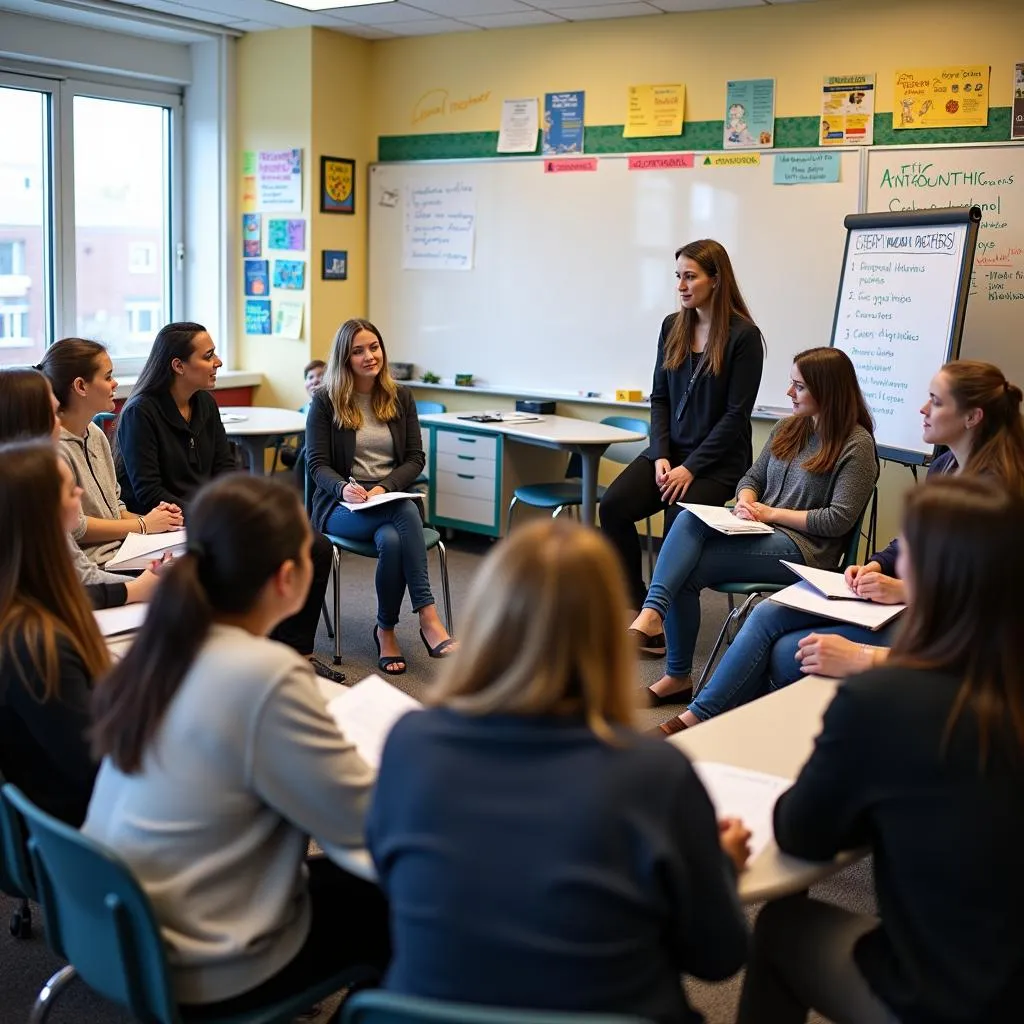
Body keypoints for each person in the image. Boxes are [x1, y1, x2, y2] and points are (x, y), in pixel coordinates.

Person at [367, 518, 751, 1024]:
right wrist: (718, 865)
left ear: (485, 623)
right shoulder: (655, 776)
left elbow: (391, 879)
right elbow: (717, 958)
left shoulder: (410, 744)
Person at [84, 474, 389, 1011]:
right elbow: (360, 825)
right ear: (288, 577)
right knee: (397, 899)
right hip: (202, 963)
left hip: (112, 928)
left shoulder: (162, 643)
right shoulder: (265, 673)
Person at [737, 476, 1024, 1024]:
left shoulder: (887, 702)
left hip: (953, 998)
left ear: (933, 578)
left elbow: (803, 831)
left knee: (778, 928)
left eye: (907, 549)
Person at [692, 360, 1024, 720]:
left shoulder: (999, 495)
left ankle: (719, 728)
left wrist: (903, 590)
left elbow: (986, 600)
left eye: (936, 401)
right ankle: (703, 721)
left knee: (789, 652)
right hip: (916, 606)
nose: (922, 409)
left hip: (945, 628)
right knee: (769, 614)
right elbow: (910, 541)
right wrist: (876, 565)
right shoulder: (945, 465)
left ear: (972, 417)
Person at [638, 347, 878, 728]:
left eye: (798, 386)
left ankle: (654, 622)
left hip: (806, 552)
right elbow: (751, 478)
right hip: (760, 533)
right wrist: (747, 500)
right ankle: (675, 673)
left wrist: (770, 513)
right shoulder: (789, 428)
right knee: (685, 525)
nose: (789, 393)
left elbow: (838, 520)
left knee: (684, 563)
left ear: (827, 391)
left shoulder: (856, 444)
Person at [115, 322, 342, 680]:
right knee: (247, 554)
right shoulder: (139, 413)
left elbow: (226, 469)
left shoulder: (205, 403)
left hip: (214, 517)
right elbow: (149, 492)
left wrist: (241, 510)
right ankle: (249, 654)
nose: (218, 362)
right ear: (178, 366)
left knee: (315, 546)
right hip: (167, 524)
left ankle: (297, 653)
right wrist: (219, 520)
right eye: (208, 356)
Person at [598, 239, 765, 612]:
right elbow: (659, 399)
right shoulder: (672, 326)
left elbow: (735, 416)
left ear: (716, 280)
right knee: (613, 506)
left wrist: (690, 468)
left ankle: (660, 618)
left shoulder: (744, 337)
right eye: (678, 276)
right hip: (670, 453)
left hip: (718, 462)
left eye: (690, 277)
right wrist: (660, 455)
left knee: (677, 521)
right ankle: (637, 606)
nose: (681, 286)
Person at [306, 318, 455, 675]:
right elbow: (316, 465)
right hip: (341, 506)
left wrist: (384, 489)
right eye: (358, 351)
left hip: (388, 500)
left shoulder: (400, 396)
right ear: (345, 358)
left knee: (393, 535)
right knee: (405, 513)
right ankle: (428, 617)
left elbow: (415, 458)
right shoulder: (326, 401)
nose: (369, 356)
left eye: (374, 347)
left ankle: (385, 631)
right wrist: (345, 489)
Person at [0, 440, 110, 826]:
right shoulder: (35, 640)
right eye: (69, 489)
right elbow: (95, 765)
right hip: (85, 824)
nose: (80, 491)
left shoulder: (35, 600)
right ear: (41, 514)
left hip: (77, 802)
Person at [0, 366, 159, 610]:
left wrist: (143, 586)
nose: (59, 423)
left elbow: (79, 573)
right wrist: (140, 586)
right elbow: (72, 584)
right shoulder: (26, 492)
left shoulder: (91, 437)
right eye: (53, 413)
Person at [41, 337, 183, 567]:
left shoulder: (95, 433)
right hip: (93, 565)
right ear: (80, 386)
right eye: (107, 377)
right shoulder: (53, 450)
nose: (115, 383)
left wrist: (161, 521)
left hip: (121, 553)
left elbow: (114, 508)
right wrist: (144, 525)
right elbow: (75, 527)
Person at [280, 358, 325, 476]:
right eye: (310, 377)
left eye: (321, 375)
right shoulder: (302, 411)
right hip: (302, 454)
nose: (315, 381)